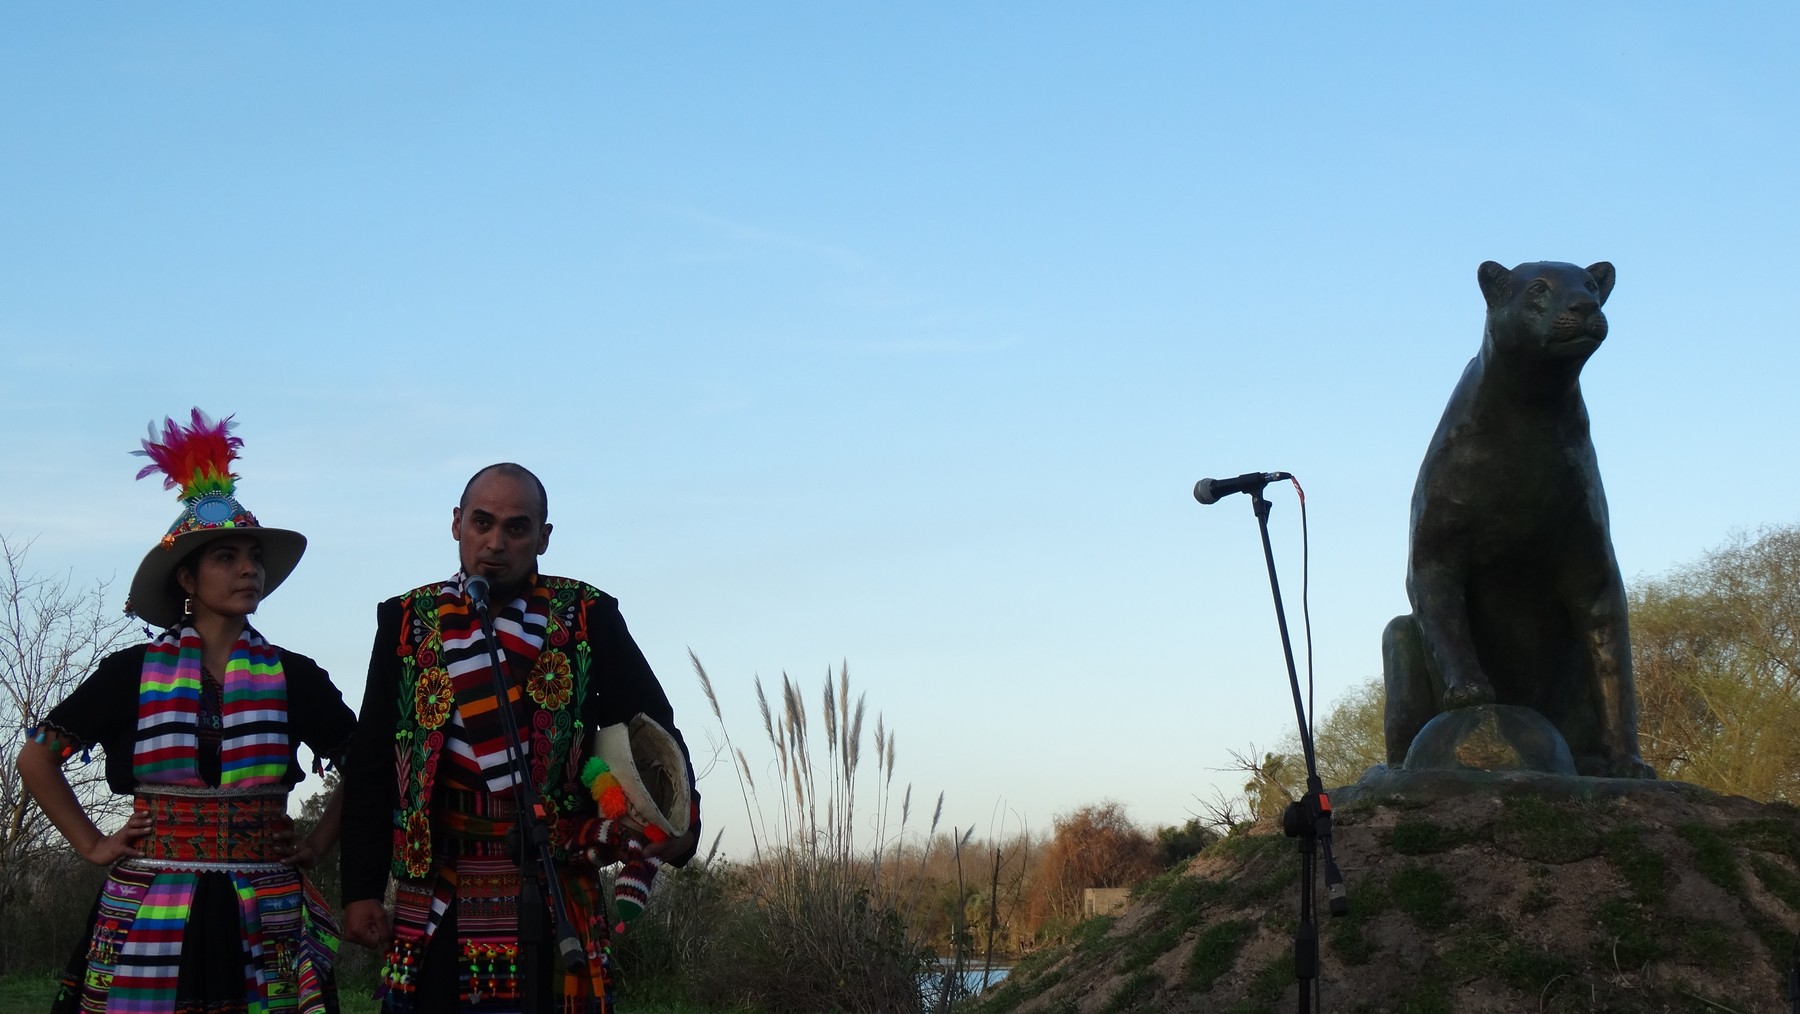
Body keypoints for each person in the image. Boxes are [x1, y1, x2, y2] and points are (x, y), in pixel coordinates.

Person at [17, 409, 356, 1014]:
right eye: (226, 556)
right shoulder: (130, 673)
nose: (249, 568)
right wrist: (92, 844)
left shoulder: (294, 676)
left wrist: (318, 843)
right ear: (187, 579)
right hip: (151, 902)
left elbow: (368, 764)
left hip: (267, 906)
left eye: (254, 556)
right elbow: (36, 758)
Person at [339, 462, 700, 1013]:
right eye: (482, 523)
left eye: (516, 528)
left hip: (553, 878)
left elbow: (651, 726)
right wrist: (361, 888)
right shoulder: (406, 620)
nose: (495, 543)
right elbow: (371, 760)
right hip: (439, 885)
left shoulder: (588, 615)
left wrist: (681, 820)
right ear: (456, 524)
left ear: (543, 538)